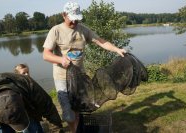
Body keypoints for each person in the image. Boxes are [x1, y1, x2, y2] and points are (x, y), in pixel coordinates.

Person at [42, 1, 126, 133]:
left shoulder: (83, 29)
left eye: (77, 19)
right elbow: (46, 55)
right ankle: (74, 129)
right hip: (62, 77)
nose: (75, 22)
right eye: (72, 18)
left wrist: (117, 49)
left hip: (79, 77)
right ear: (64, 15)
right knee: (68, 112)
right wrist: (60, 59)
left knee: (77, 107)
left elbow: (101, 42)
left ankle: (77, 128)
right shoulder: (56, 31)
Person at [0, 72, 64, 133]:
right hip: (0, 117)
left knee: (33, 128)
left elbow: (47, 105)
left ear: (21, 97)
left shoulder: (26, 82)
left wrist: (58, 125)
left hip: (28, 104)